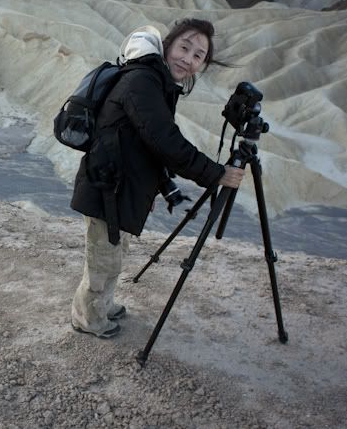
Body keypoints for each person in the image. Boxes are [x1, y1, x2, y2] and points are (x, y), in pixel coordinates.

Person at [69, 19, 246, 339]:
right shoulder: (143, 81)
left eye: (198, 56)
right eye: (184, 47)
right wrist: (216, 173)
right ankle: (87, 317)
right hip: (106, 185)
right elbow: (165, 141)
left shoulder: (156, 82)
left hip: (120, 185)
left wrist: (154, 190)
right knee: (102, 260)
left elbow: (146, 147)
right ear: (167, 45)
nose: (188, 59)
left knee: (114, 252)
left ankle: (103, 306)